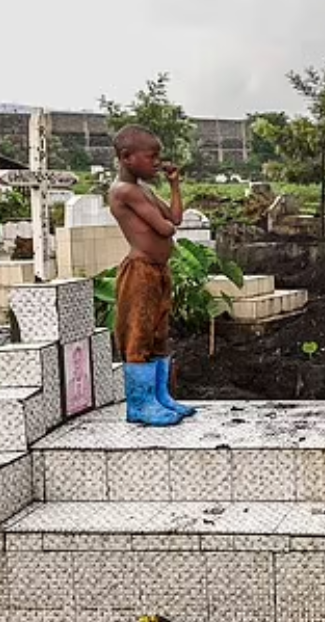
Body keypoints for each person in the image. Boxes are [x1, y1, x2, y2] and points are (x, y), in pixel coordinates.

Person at [109, 125, 194, 427]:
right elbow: (165, 228)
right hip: (140, 271)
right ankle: (140, 404)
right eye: (151, 156)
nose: (157, 162)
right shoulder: (124, 191)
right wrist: (166, 222)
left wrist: (174, 185)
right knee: (138, 334)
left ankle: (160, 397)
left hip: (158, 270)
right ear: (126, 157)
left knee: (158, 333)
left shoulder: (143, 190)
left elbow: (176, 217)